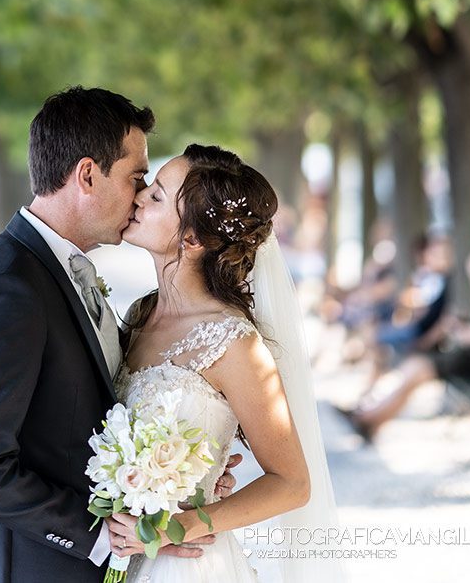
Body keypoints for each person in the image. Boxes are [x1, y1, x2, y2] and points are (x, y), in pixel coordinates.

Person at [0, 88, 234, 583]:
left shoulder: (62, 270)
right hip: (30, 567)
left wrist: (184, 473)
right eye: (136, 177)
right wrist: (101, 535)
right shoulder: (10, 288)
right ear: (86, 174)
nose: (142, 196)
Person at [109, 143, 343, 582]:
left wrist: (182, 525)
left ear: (192, 239)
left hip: (187, 567)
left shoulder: (232, 341)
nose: (139, 196)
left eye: (157, 195)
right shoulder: (140, 314)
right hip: (120, 556)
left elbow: (292, 483)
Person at [336, 241, 470, 441]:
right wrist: (463, 325)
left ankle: (368, 419)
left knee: (416, 366)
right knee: (413, 365)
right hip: (468, 357)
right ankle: (369, 416)